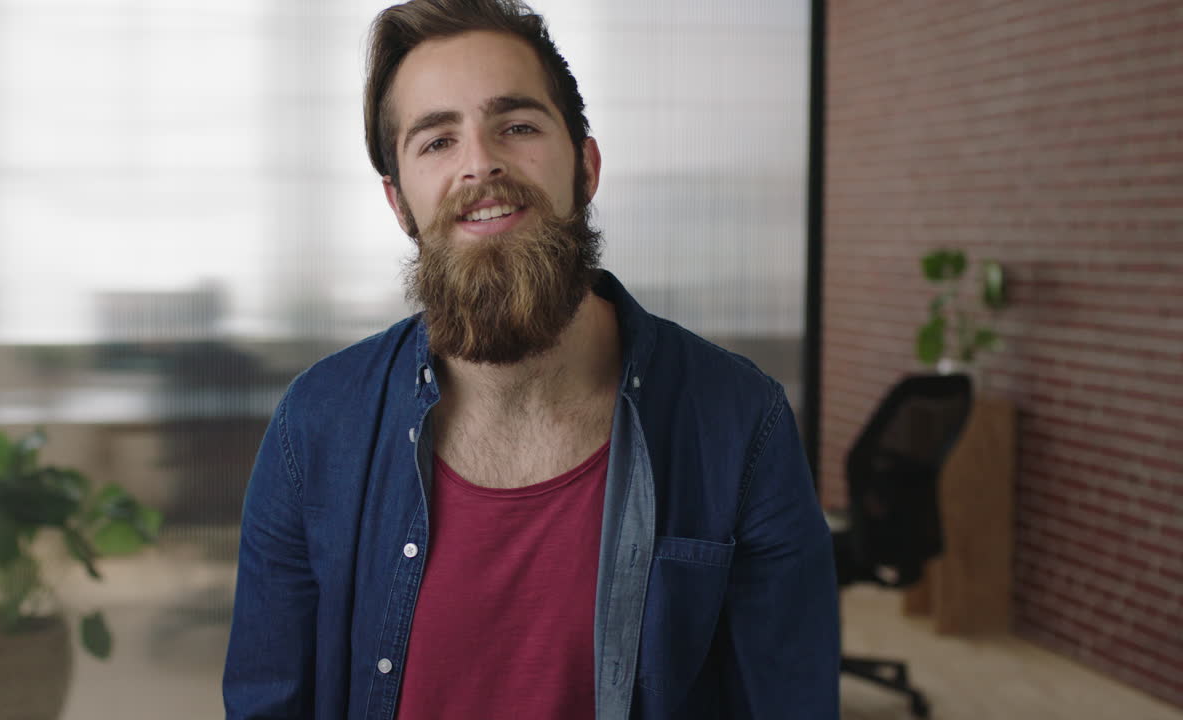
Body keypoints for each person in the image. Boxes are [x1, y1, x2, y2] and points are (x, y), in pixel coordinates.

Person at [222, 0, 840, 718]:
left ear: (586, 163)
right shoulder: (314, 426)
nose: (479, 163)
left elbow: (790, 702)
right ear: (399, 203)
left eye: (516, 126)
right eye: (436, 142)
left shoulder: (740, 422)